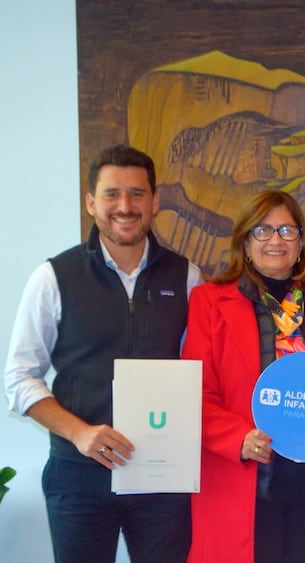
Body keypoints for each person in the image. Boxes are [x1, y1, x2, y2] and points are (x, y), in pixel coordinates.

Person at [4, 145, 202, 563]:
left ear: (155, 201)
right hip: (78, 476)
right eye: (112, 194)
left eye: (136, 194)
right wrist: (79, 432)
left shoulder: (187, 277)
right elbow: (20, 379)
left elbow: (204, 372)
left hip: (161, 476)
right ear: (91, 202)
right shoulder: (53, 277)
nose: (125, 206)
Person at [181, 190, 305, 563]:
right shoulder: (208, 301)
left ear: (300, 243)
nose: (275, 240)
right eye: (262, 230)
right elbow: (193, 394)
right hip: (246, 479)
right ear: (245, 243)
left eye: (286, 230)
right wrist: (238, 438)